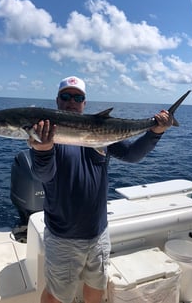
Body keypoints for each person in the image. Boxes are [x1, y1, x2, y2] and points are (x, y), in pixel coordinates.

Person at [28, 76, 173, 303]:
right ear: (57, 100)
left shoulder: (101, 131)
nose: (71, 102)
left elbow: (132, 155)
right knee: (57, 294)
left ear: (84, 103)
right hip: (63, 237)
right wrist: (44, 149)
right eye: (66, 96)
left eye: (78, 97)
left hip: (99, 233)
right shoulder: (45, 135)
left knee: (97, 286)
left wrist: (155, 131)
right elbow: (43, 175)